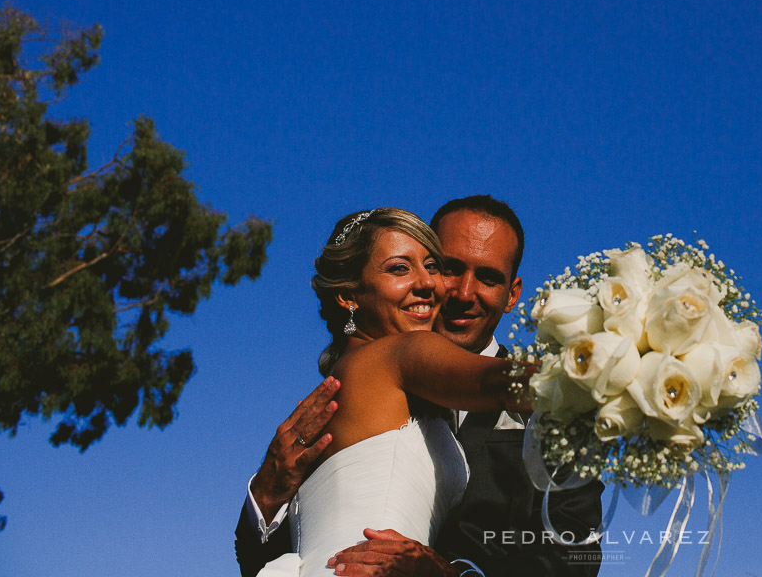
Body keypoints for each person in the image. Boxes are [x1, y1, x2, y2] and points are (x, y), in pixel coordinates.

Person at [235, 196, 604, 577]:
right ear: (350, 295)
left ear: (513, 294)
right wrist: (264, 496)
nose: (459, 293)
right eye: (447, 267)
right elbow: (265, 559)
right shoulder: (352, 387)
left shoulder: (556, 422)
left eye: (488, 277)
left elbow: (575, 562)